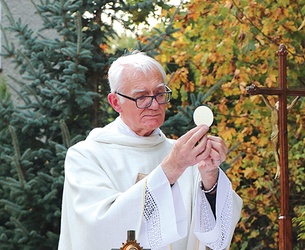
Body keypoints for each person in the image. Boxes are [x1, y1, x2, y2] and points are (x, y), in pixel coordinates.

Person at [58, 51, 243, 250]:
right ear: (115, 102)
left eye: (160, 94)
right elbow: (98, 229)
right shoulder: (86, 156)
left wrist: (210, 177)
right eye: (142, 97)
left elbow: (216, 236)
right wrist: (171, 168)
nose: (154, 105)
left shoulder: (184, 155)